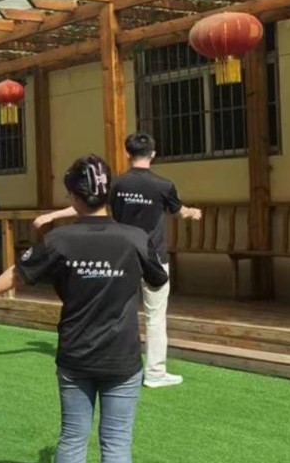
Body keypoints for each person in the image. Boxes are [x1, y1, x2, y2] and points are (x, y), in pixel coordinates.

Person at [0, 155, 168, 463]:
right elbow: (158, 279)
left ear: (74, 197)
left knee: (73, 439)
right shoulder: (135, 238)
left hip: (76, 354)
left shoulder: (59, 240)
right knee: (117, 444)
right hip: (121, 357)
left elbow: (20, 272)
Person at [34, 132, 201, 388]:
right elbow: (179, 212)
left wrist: (52, 215)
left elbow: (87, 203)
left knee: (118, 310)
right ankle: (155, 373)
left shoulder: (117, 184)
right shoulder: (163, 185)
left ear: (127, 153)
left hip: (121, 257)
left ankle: (110, 360)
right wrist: (192, 212)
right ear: (153, 154)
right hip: (154, 258)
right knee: (156, 317)